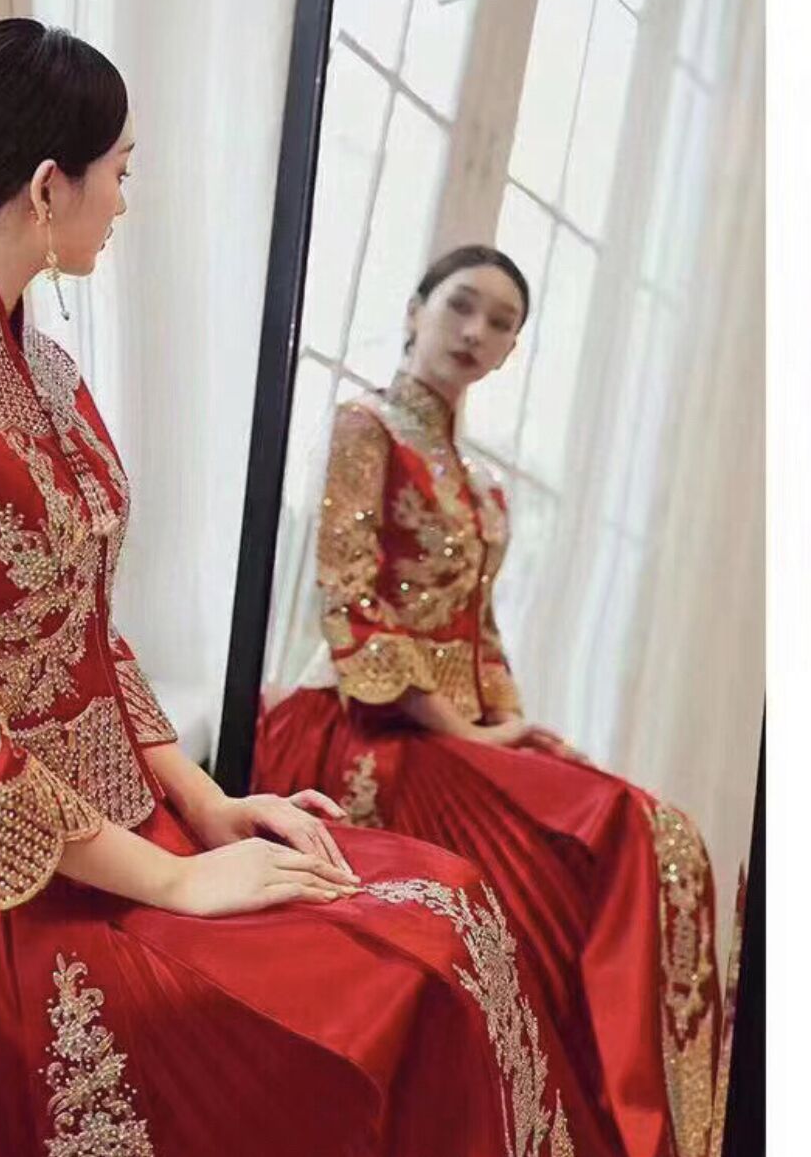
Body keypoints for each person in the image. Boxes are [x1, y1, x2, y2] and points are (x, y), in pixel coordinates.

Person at [0, 21, 615, 1157]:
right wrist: (177, 884)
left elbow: (91, 631)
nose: (124, 202)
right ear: (48, 186)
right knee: (393, 990)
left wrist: (208, 803)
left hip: (130, 824)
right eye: (120, 172)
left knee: (451, 911)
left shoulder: (41, 362)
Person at [251, 245, 722, 1157]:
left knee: (654, 835)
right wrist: (459, 726)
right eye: (462, 305)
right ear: (414, 310)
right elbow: (350, 598)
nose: (476, 331)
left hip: (455, 726)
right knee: (621, 831)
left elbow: (481, 631)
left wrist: (509, 725)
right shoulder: (366, 428)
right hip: (366, 722)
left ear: (511, 351)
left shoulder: (478, 484)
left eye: (501, 323)